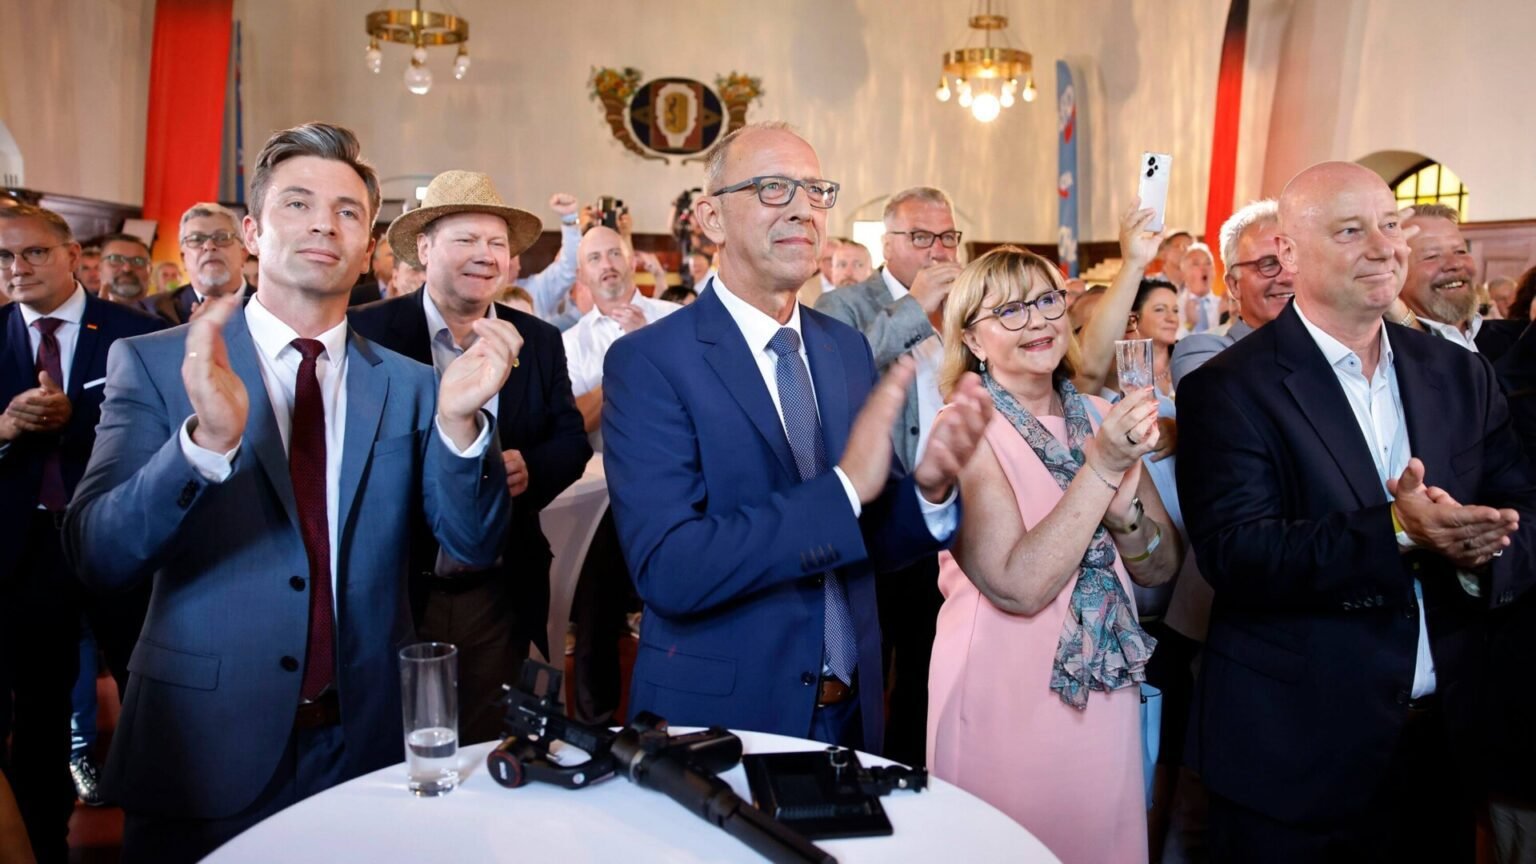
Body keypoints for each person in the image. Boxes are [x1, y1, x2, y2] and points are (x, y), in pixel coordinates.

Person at [62, 122, 515, 863]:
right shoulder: (157, 363)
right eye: (297, 204)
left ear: (368, 245)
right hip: (204, 742)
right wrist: (202, 447)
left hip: (367, 742)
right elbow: (98, 555)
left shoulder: (410, 384)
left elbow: (470, 542)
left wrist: (463, 424)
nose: (321, 225)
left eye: (346, 212)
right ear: (251, 231)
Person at [1176, 161, 1536, 862]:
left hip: (1440, 747)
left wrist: (1478, 551)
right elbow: (1239, 555)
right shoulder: (1232, 387)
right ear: (1287, 251)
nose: (1384, 247)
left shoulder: (1459, 373)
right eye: (1351, 230)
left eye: (1391, 225)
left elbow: (1524, 506)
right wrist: (1399, 530)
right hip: (1296, 755)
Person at [602, 122, 992, 752]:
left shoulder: (843, 349)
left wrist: (929, 488)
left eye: (815, 191)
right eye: (773, 188)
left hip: (853, 711)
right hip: (726, 715)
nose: (804, 210)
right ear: (712, 217)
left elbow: (864, 533)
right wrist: (841, 491)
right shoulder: (650, 362)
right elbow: (671, 569)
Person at [928, 246, 1180, 863]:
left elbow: (1161, 566)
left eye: (1045, 301)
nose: (1037, 322)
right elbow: (1018, 584)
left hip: (1103, 682)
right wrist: (1104, 468)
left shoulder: (1100, 413)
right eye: (1009, 311)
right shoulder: (961, 430)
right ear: (973, 339)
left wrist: (1129, 523)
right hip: (1006, 688)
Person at [349, 169, 590, 744]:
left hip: (496, 590)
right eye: (466, 240)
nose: (485, 255)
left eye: (497, 244)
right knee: (388, 749)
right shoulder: (367, 333)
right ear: (425, 249)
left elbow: (571, 441)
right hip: (392, 588)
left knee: (487, 746)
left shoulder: (538, 340)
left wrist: (530, 468)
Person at [0, 203, 163, 862]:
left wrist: (77, 418)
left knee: (148, 696)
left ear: (73, 257)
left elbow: (163, 433)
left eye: (33, 253)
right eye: (5, 258)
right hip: (23, 551)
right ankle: (42, 845)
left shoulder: (134, 333)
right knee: (37, 714)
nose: (17, 269)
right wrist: (8, 427)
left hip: (118, 537)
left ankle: (163, 836)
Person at [814, 185, 963, 766]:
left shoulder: (961, 305)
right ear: (888, 241)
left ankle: (919, 774)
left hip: (946, 509)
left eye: (947, 237)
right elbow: (838, 376)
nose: (937, 250)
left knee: (933, 661)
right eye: (921, 237)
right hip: (875, 512)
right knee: (872, 660)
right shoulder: (845, 304)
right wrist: (913, 306)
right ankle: (863, 771)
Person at [1171, 200, 1293, 388]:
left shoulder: (1337, 344)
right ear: (1234, 285)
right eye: (1268, 264)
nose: (1287, 277)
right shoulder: (1201, 353)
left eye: (1293, 260)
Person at [1395, 203, 1526, 360]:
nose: (1455, 264)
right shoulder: (1382, 356)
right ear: (1392, 271)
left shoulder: (1519, 340)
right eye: (1432, 256)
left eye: (1461, 251)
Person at [143, 202, 254, 326]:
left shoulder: (273, 306)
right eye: (196, 239)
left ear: (243, 253)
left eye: (222, 237)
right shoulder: (151, 311)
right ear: (183, 258)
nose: (209, 246)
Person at [95, 233, 153, 306]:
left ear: (150, 270)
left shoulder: (167, 314)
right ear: (100, 268)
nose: (127, 268)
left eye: (138, 261)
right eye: (116, 259)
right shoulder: (83, 314)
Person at [1178, 243, 1221, 336]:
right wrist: (1189, 324)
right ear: (1183, 274)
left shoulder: (1224, 306)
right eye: (1196, 264)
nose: (1204, 268)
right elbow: (1170, 345)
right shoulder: (1175, 306)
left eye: (1208, 263)